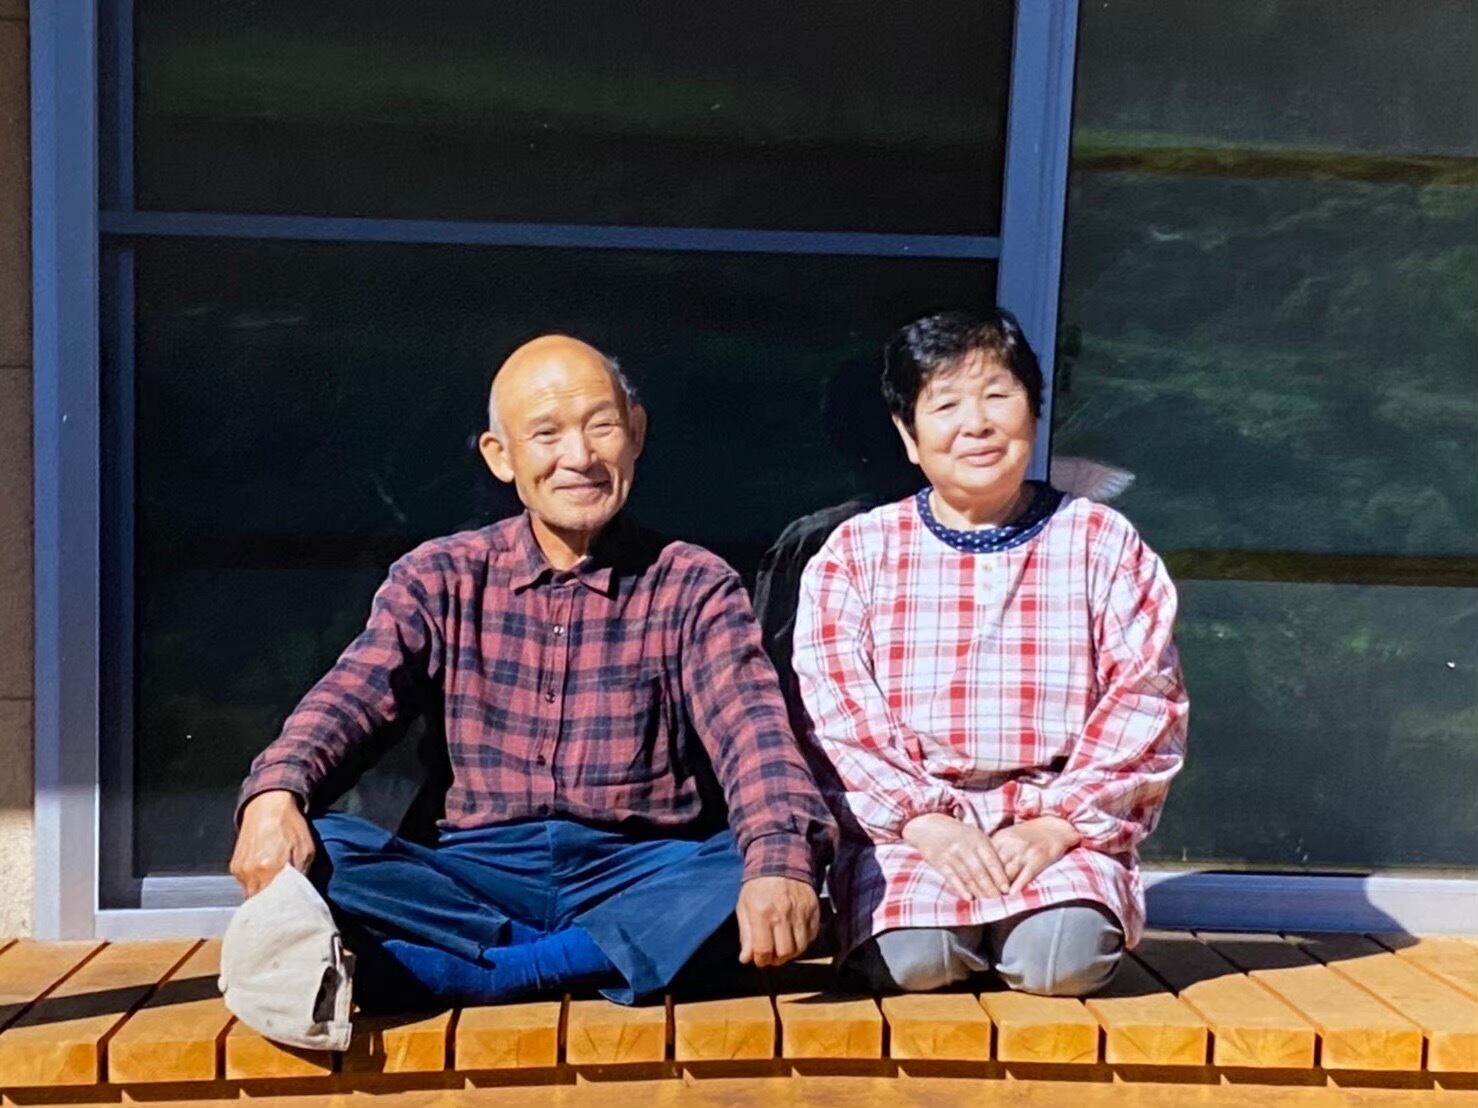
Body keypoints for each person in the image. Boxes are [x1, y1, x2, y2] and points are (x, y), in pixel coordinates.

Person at [230, 334, 837, 1011]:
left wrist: (779, 859)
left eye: (601, 427)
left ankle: (478, 973)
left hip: (636, 868)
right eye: (546, 434)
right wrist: (275, 793)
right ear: (501, 456)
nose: (579, 457)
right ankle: (598, 957)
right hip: (473, 872)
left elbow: (754, 736)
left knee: (753, 863)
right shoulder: (441, 576)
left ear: (636, 433)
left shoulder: (692, 583)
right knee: (324, 848)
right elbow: (350, 700)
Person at [792, 310, 1187, 997]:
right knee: (915, 959)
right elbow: (833, 714)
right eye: (946, 405)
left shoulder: (1102, 542)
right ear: (908, 435)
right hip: (914, 830)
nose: (976, 424)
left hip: (1058, 824)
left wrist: (1058, 824)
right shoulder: (856, 553)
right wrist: (922, 820)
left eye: (997, 396)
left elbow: (1146, 699)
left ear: (1033, 411)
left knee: (1061, 960)